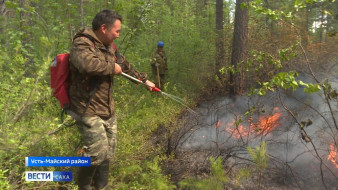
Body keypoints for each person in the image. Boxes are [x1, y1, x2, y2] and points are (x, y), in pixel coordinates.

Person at [69, 10, 155, 190]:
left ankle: (101, 187)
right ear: (103, 28)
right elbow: (87, 65)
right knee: (96, 153)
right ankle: (83, 187)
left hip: (107, 109)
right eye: (116, 31)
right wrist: (111, 67)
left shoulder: (110, 47)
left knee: (107, 153)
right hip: (87, 108)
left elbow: (124, 66)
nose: (118, 34)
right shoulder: (82, 43)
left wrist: (144, 80)